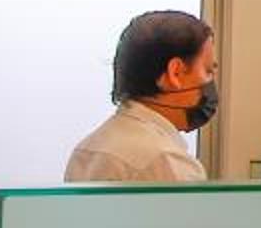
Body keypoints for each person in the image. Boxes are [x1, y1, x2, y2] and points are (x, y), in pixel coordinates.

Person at [65, 9, 217, 183]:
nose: (211, 82)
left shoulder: (87, 149)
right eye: (208, 71)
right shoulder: (165, 161)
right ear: (175, 72)